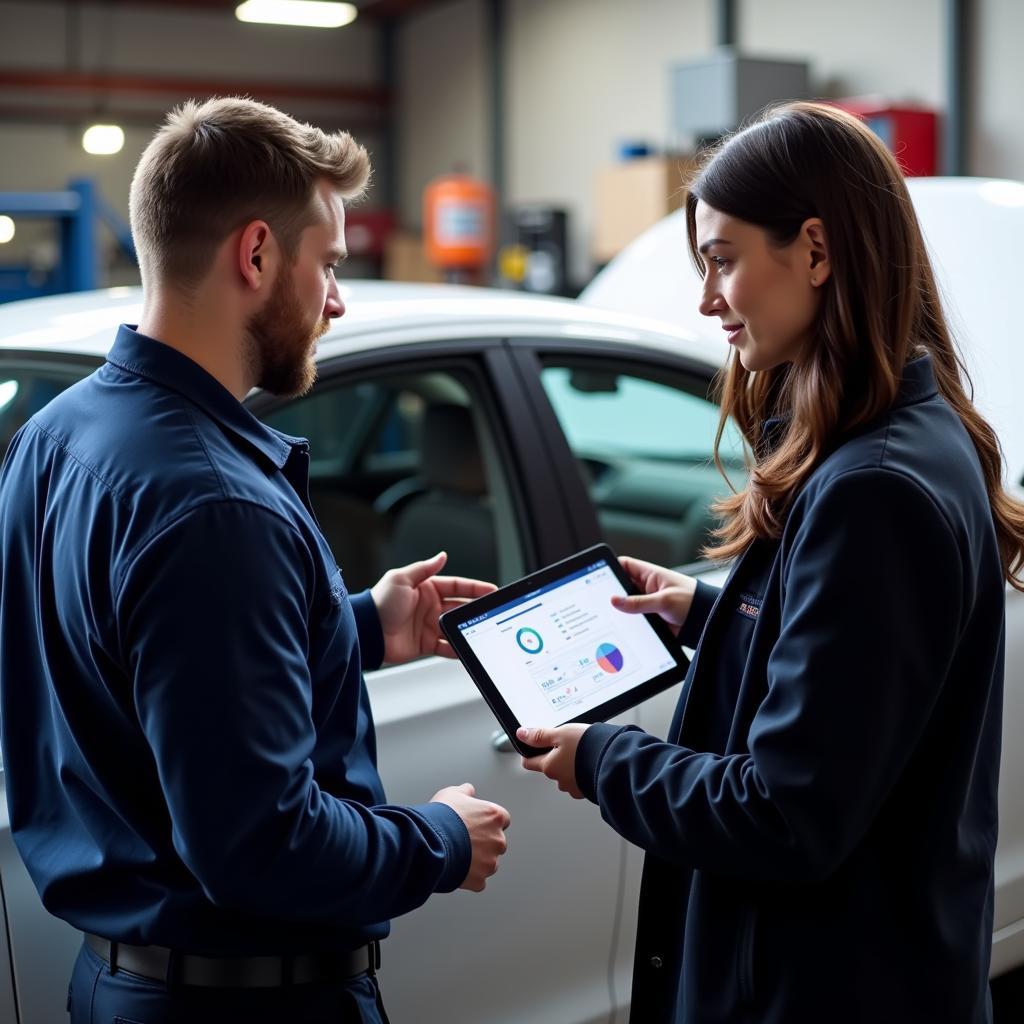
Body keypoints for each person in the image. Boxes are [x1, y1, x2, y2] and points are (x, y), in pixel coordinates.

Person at [0, 96, 510, 1024]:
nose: (338, 298)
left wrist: (358, 626)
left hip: (119, 984)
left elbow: (123, 660)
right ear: (258, 254)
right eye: (329, 264)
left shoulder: (53, 436)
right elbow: (259, 844)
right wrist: (438, 840)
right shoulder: (216, 504)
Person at [519, 100, 1024, 1024]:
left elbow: (784, 812)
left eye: (722, 260)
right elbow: (857, 687)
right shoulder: (899, 441)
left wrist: (603, 761)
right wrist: (717, 614)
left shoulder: (873, 488)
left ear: (818, 252)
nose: (708, 299)